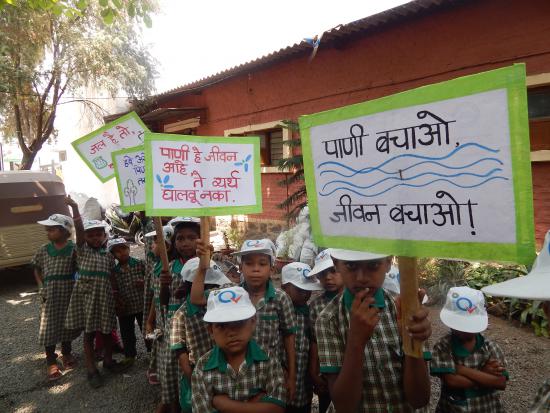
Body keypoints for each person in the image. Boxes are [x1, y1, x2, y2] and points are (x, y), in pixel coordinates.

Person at [315, 249, 432, 412]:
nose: (361, 277)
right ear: (336, 264)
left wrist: (411, 339)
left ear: (388, 263)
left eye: (373, 265)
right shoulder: (328, 320)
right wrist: (356, 341)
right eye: (351, 266)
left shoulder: (404, 309)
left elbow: (420, 399)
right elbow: (344, 406)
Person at [190, 238, 298, 401]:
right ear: (240, 267)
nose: (255, 269)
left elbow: (289, 337)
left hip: (268, 371)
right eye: (249, 264)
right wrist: (202, 266)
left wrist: (291, 375)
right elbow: (197, 298)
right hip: (234, 371)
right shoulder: (230, 293)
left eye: (262, 264)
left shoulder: (281, 299)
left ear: (272, 268)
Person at [64, 197, 129, 388]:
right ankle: (91, 369)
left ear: (104, 236)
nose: (94, 238)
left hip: (106, 299)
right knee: (89, 334)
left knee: (108, 330)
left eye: (98, 235)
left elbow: (111, 277)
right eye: (90, 235)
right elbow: (79, 230)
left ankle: (108, 361)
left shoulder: (108, 256)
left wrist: (117, 295)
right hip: (87, 300)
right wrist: (75, 208)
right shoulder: (82, 250)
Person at [191, 286, 287, 413]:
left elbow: (278, 408)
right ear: (211, 330)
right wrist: (256, 406)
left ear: (253, 322)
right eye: (221, 325)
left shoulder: (268, 360)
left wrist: (226, 405)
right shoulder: (203, 368)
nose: (231, 333)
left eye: (239, 323)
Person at [148, 218, 200, 413]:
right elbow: (162, 301)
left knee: (194, 360)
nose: (185, 242)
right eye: (180, 238)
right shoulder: (168, 266)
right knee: (173, 364)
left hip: (198, 323)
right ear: (174, 242)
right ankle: (173, 404)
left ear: (201, 239)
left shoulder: (207, 264)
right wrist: (164, 284)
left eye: (191, 237)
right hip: (174, 325)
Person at [431, 286, 508, 412]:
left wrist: (461, 370)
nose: (462, 330)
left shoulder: (491, 347)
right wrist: (484, 374)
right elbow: (452, 381)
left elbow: (500, 382)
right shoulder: (443, 346)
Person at [170, 256, 231, 412]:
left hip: (221, 372)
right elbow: (180, 351)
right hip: (196, 374)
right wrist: (193, 378)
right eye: (214, 288)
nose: (217, 291)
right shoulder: (181, 316)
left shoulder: (219, 309)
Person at [33, 213, 79, 381]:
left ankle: (66, 353)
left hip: (68, 292)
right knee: (49, 325)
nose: (48, 232)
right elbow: (36, 268)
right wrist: (41, 285)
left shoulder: (74, 249)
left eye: (51, 229)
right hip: (50, 294)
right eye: (48, 229)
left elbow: (80, 268)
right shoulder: (44, 249)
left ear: (63, 230)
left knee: (67, 323)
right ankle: (51, 360)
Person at [281, 262, 323, 413]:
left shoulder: (310, 312)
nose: (305, 294)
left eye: (308, 290)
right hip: (283, 372)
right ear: (284, 287)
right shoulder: (279, 311)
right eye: (300, 290)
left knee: (302, 405)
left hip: (304, 372)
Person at [306, 249, 343, 413]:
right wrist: (314, 372)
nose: (328, 277)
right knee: (326, 403)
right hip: (327, 370)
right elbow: (315, 340)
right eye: (322, 273)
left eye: (333, 271)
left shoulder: (355, 300)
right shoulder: (316, 306)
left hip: (352, 366)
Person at [108, 237, 146, 364]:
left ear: (129, 249)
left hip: (142, 304)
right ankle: (130, 355)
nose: (122, 252)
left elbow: (150, 280)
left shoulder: (139, 263)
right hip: (125, 308)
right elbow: (114, 289)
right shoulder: (114, 272)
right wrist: (117, 301)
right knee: (126, 333)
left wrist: (144, 283)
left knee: (146, 328)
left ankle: (153, 351)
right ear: (113, 255)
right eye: (117, 251)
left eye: (124, 248)